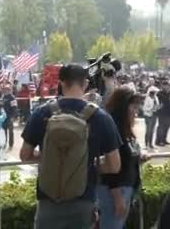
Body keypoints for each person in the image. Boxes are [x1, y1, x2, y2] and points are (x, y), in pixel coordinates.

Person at [20, 64, 122, 229]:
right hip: (83, 201)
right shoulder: (101, 117)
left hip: (48, 201)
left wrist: (52, 159)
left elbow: (25, 155)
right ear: (86, 84)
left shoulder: (41, 113)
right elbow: (114, 165)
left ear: (61, 83)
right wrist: (84, 163)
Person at [98, 87, 147, 229]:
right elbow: (110, 167)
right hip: (113, 193)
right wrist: (118, 198)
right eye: (133, 107)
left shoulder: (125, 129)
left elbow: (127, 155)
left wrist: (138, 157)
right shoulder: (112, 128)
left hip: (127, 188)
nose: (136, 111)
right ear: (123, 107)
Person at [156, 81, 170, 147]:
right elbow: (163, 100)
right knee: (161, 127)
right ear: (162, 86)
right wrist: (168, 94)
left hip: (169, 112)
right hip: (162, 113)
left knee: (167, 127)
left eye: (168, 85)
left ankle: (164, 140)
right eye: (165, 85)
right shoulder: (159, 93)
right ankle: (159, 141)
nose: (167, 87)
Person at [0, 84, 18, 150]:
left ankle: (11, 144)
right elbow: (1, 106)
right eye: (4, 89)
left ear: (9, 90)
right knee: (3, 131)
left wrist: (13, 116)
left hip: (10, 116)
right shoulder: (3, 97)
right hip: (3, 117)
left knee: (10, 131)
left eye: (6, 89)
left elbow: (15, 108)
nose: (4, 91)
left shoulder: (12, 98)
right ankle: (4, 143)